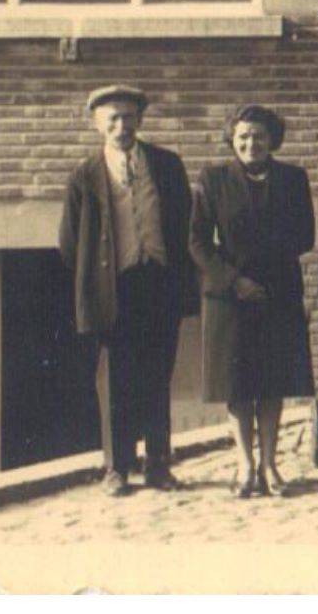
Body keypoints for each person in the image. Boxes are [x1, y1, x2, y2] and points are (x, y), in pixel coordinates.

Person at [58, 85, 196, 497]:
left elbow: (185, 225)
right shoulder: (85, 175)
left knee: (157, 377)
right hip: (115, 289)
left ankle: (157, 465)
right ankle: (116, 468)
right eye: (112, 118)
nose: (121, 126)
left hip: (159, 283)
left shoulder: (167, 166)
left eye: (128, 117)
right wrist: (96, 281)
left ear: (140, 120)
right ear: (97, 123)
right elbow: (69, 243)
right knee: (117, 381)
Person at [190, 105, 315, 498]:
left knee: (273, 383)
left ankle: (270, 465)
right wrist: (234, 279)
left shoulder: (293, 180)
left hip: (276, 294)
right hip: (231, 299)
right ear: (233, 140)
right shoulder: (212, 180)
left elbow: (305, 236)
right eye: (243, 136)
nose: (251, 143)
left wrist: (265, 269)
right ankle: (245, 466)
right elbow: (196, 242)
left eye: (259, 136)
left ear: (272, 139)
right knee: (238, 385)